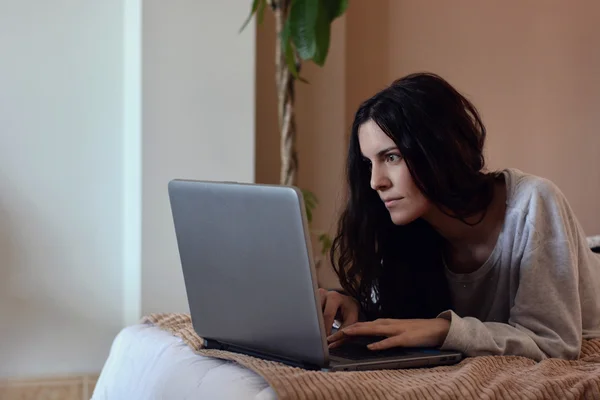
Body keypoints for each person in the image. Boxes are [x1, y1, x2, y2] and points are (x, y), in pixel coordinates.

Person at [320, 72, 600, 361]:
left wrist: (444, 329)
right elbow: (400, 317)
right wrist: (351, 307)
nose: (375, 181)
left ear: (439, 147)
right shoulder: (407, 230)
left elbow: (554, 342)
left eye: (391, 157)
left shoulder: (532, 203)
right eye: (369, 164)